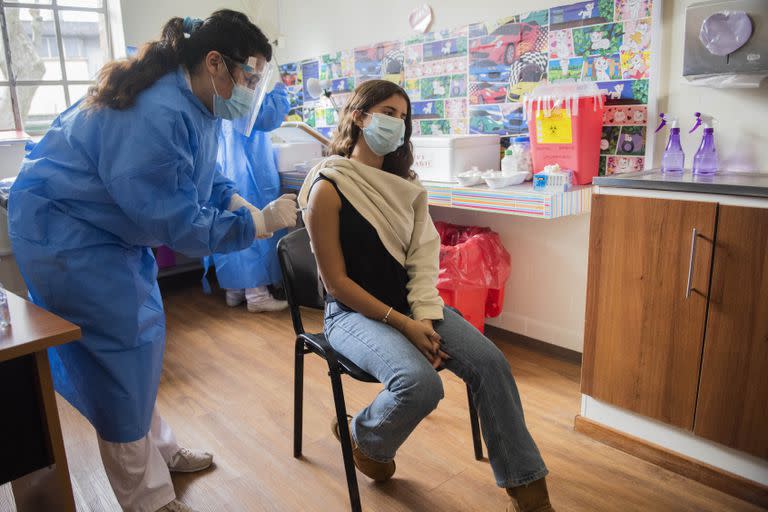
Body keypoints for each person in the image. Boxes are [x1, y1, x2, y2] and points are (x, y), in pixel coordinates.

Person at [8, 11, 297, 512]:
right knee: (119, 352)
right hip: (65, 229)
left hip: (106, 223)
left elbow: (201, 177)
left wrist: (237, 203)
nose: (252, 89)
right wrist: (259, 224)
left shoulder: (195, 102)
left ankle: (158, 448)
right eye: (249, 77)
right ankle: (149, 499)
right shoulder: (157, 113)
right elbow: (178, 224)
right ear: (215, 64)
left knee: (140, 343)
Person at [299, 80, 554, 512]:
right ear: (360, 117)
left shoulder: (406, 187)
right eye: (387, 112)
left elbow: (421, 262)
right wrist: (404, 325)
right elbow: (336, 284)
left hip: (410, 305)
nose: (397, 124)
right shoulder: (328, 187)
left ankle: (530, 494)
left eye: (403, 117)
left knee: (490, 365)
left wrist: (425, 316)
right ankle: (364, 437)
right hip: (350, 314)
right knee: (419, 384)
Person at [210, 83, 291, 312]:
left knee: (233, 222)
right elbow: (269, 117)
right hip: (252, 169)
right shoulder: (247, 92)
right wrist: (279, 90)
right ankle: (256, 294)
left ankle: (234, 291)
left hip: (227, 166)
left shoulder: (220, 89)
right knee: (256, 228)